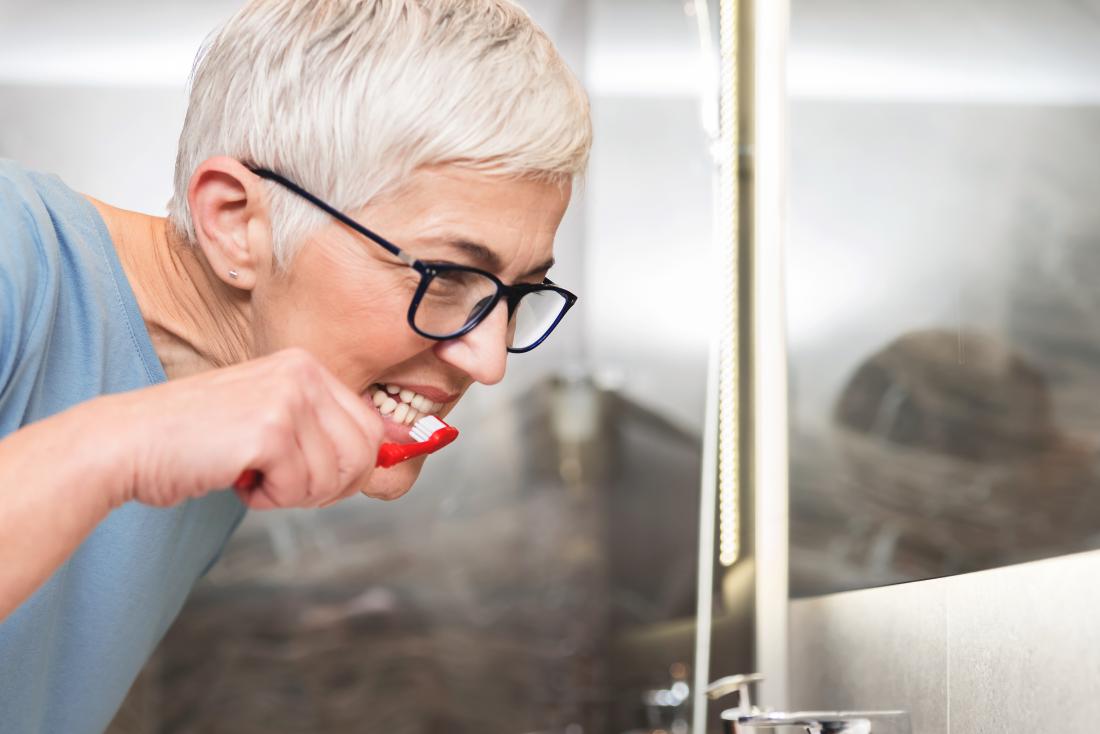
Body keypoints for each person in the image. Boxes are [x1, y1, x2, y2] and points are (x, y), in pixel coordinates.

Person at [0, 1, 591, 730]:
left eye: (519, 294)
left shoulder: (244, 391)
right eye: (442, 275)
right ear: (238, 225)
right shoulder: (12, 256)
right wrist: (116, 449)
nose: (490, 359)